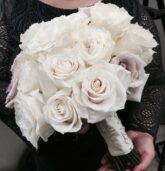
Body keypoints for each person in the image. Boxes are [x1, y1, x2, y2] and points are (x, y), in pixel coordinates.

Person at [0, 0, 164, 170]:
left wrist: (142, 129)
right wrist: (45, 106)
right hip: (55, 156)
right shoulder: (13, 6)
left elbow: (154, 80)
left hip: (122, 147)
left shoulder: (124, 4)